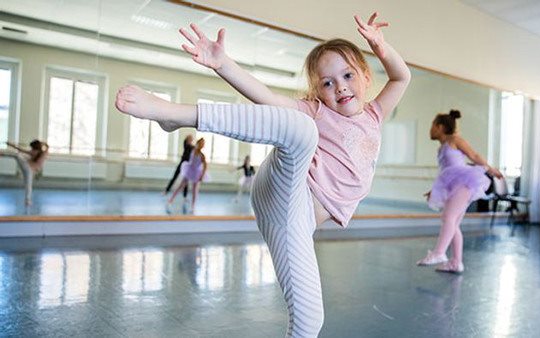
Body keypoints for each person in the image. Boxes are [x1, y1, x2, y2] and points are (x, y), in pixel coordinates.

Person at [115, 12, 410, 337]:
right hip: (289, 187)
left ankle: (174, 116)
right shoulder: (317, 111)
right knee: (299, 126)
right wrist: (223, 64)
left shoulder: (374, 114)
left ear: (366, 76)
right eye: (327, 82)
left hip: (293, 223)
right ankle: (174, 114)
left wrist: (381, 47)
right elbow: (267, 99)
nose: (339, 86)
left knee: (310, 322)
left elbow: (401, 77)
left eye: (347, 75)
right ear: (318, 91)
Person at [418, 109, 502, 273]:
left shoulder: (454, 139)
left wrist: (492, 170)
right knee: (453, 224)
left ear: (440, 127)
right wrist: (434, 190)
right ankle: (456, 263)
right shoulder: (441, 148)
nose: (431, 129)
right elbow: (445, 172)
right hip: (453, 185)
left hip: (464, 182)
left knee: (448, 217)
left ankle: (439, 253)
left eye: (433, 125)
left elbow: (474, 156)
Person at [1, 140, 49, 206]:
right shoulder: (43, 152)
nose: (31, 148)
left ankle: (28, 201)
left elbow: (20, 149)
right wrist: (43, 143)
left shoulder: (36, 152)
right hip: (28, 168)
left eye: (32, 147)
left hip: (29, 169)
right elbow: (47, 146)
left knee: (18, 155)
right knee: (28, 185)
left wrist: (10, 144)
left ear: (34, 147)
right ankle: (28, 201)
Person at [167, 138, 207, 213]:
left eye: (203, 144)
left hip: (197, 172)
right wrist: (188, 140)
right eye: (201, 143)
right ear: (198, 143)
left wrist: (202, 175)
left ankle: (193, 206)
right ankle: (171, 200)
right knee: (181, 186)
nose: (202, 145)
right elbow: (187, 144)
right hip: (189, 170)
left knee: (195, 190)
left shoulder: (202, 156)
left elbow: (205, 166)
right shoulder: (192, 149)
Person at [164, 134, 195, 198]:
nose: (190, 139)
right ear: (187, 139)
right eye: (189, 138)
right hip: (182, 163)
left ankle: (185, 196)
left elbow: (194, 149)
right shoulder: (186, 144)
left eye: (191, 138)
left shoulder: (192, 147)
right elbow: (189, 145)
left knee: (186, 180)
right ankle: (166, 191)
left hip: (187, 165)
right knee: (174, 177)